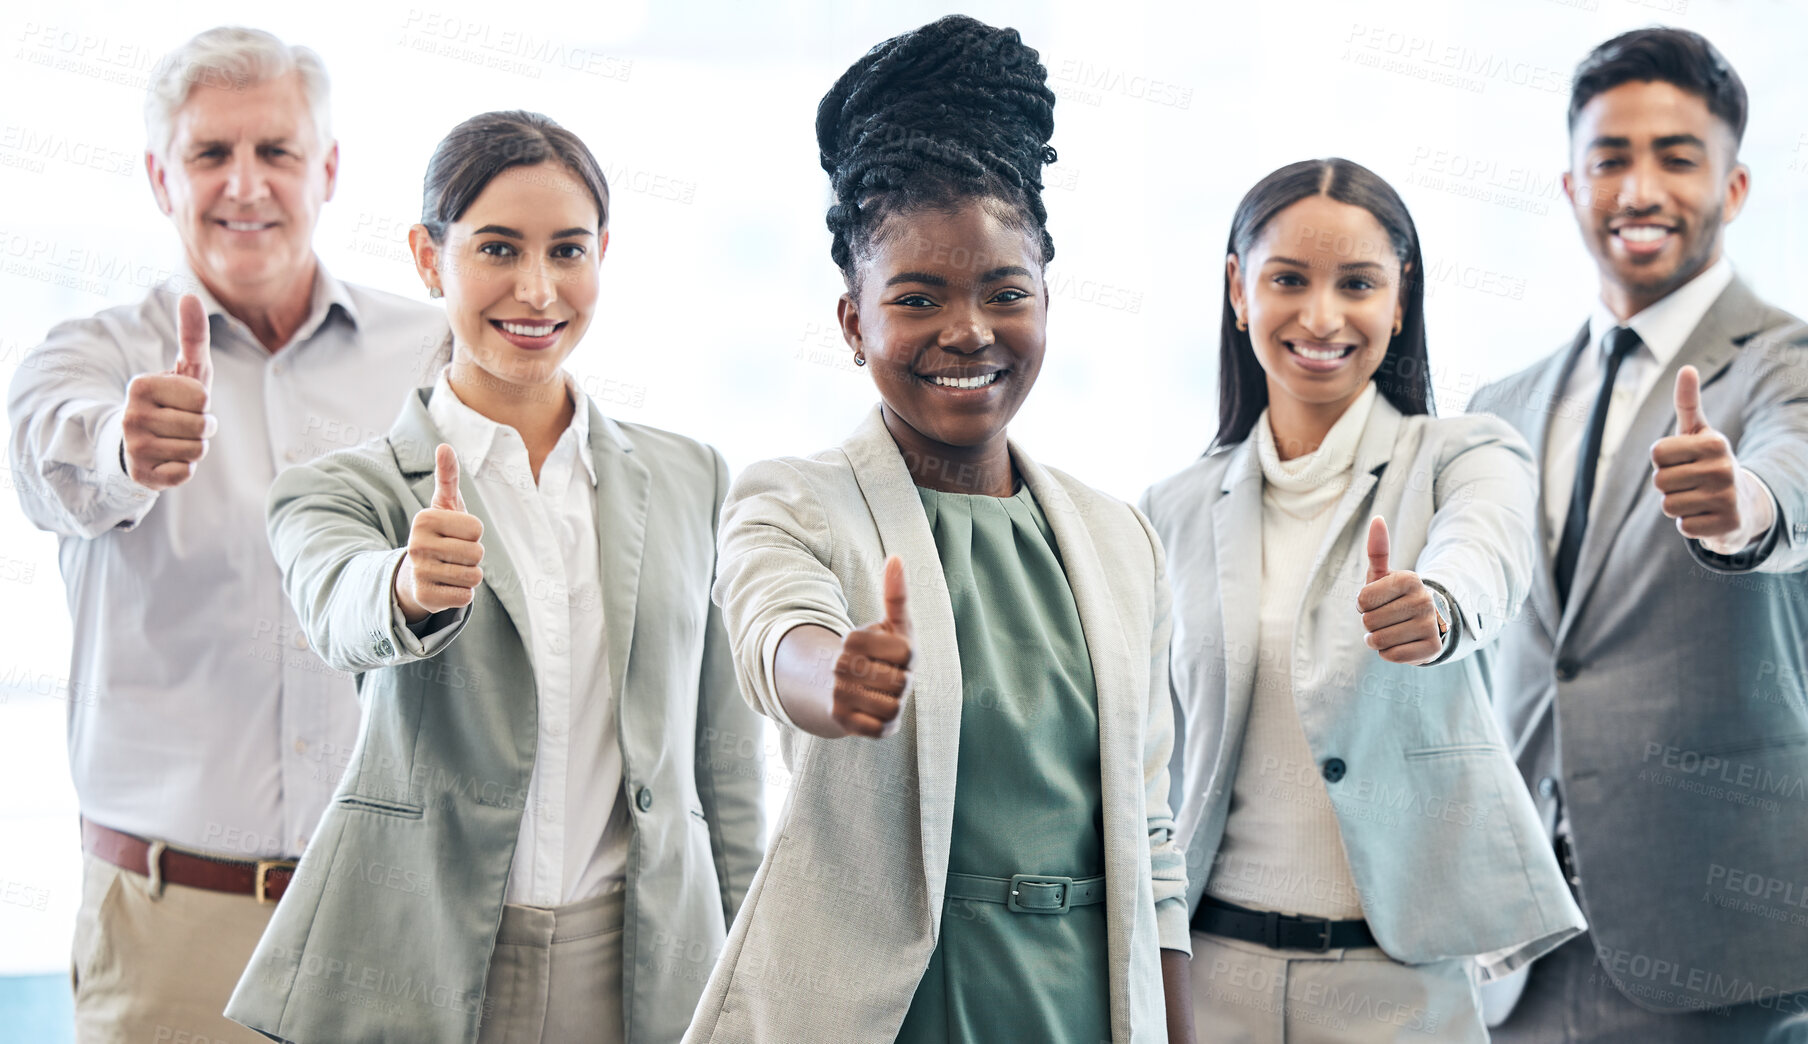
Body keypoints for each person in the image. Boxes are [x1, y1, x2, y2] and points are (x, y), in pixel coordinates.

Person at [681, 16, 1193, 1044]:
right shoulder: (789, 498)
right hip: (885, 1014)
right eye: (916, 298)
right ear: (852, 320)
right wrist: (827, 676)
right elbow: (771, 626)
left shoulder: (1117, 539)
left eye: (1005, 293)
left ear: (1046, 298)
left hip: (1079, 1007)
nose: (967, 331)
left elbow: (1148, 839)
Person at [220, 110, 765, 1044]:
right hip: (423, 966)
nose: (537, 288)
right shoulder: (338, 490)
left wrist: (758, 981)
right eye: (498, 249)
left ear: (603, 256)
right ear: (430, 262)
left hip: (643, 970)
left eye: (568, 250)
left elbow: (724, 762)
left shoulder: (691, 477)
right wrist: (405, 587)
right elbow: (337, 601)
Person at [5, 26, 448, 1042]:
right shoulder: (89, 357)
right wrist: (125, 448)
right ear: (161, 177)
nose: (244, 184)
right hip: (171, 933)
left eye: (276, 152)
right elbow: (47, 464)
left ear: (327, 170)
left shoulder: (427, 351)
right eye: (210, 154)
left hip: (384, 915)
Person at [1469, 28, 1808, 1042]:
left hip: (1716, 951)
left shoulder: (1796, 361)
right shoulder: (1502, 405)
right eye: (1608, 158)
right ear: (1570, 187)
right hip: (1517, 960)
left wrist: (1744, 505)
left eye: (1675, 156)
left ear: (1734, 187)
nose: (1637, 188)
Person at [1139, 158, 1583, 1043]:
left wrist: (1442, 608)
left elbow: (1486, 549)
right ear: (1238, 288)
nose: (1321, 316)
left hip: (1402, 995)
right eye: (1287, 280)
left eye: (1357, 284)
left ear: (1401, 298)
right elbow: (1148, 760)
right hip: (1211, 980)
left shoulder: (1463, 453)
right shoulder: (1170, 509)